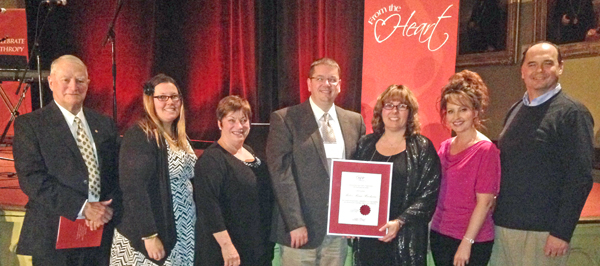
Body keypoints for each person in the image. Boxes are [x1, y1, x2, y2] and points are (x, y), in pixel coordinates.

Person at [491, 41, 594, 266]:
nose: (539, 71)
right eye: (532, 64)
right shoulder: (515, 109)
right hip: (504, 227)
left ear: (560, 67)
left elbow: (580, 178)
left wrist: (561, 233)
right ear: (522, 71)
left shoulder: (572, 113)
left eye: (548, 63)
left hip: (543, 233)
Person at [13, 55, 119, 266]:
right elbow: (31, 179)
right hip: (53, 238)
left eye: (80, 80)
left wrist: (107, 207)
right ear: (51, 82)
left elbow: (117, 171)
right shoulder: (30, 125)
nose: (74, 86)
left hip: (99, 235)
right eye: (66, 80)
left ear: (88, 84)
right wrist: (83, 207)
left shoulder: (104, 123)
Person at [266, 57, 366, 265]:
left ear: (340, 84)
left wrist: (355, 221)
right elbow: (281, 174)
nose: (326, 84)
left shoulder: (354, 121)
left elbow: (359, 174)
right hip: (302, 231)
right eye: (320, 78)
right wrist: (295, 223)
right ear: (309, 83)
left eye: (332, 79)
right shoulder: (286, 119)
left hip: (337, 231)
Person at [110, 74, 197, 265]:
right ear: (150, 100)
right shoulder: (141, 135)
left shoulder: (180, 136)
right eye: (162, 97)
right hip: (152, 233)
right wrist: (149, 235)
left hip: (182, 230)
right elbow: (134, 188)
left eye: (174, 97)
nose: (170, 102)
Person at [352, 84, 441, 266]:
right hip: (369, 238)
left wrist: (400, 222)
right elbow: (352, 187)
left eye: (402, 106)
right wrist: (350, 220)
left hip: (406, 238)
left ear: (410, 113)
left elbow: (429, 194)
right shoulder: (365, 144)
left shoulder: (423, 147)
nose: (395, 111)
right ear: (381, 111)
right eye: (389, 105)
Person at [429, 70, 500, 266]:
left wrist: (466, 243)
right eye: (451, 111)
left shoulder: (486, 150)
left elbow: (484, 203)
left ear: (475, 112)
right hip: (440, 234)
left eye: (463, 109)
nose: (456, 117)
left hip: (471, 241)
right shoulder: (444, 146)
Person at [194, 95, 274, 266]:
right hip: (229, 254)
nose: (239, 126)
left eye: (244, 120)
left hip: (255, 248)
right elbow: (208, 208)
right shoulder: (212, 160)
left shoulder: (249, 151)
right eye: (232, 120)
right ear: (219, 123)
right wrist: (227, 246)